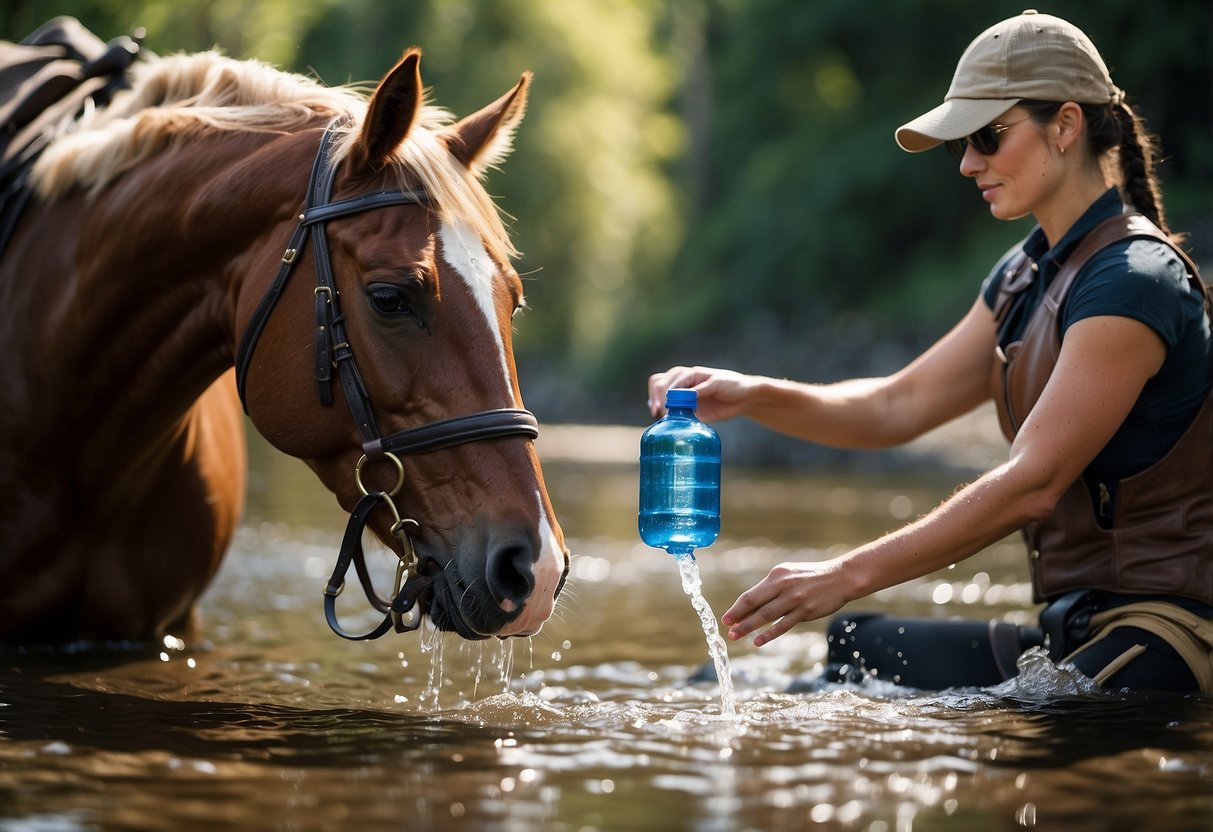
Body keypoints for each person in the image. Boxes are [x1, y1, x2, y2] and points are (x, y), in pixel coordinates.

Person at [647, 10, 1213, 693]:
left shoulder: (1131, 281)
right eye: (959, 146)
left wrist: (844, 574)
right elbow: (897, 404)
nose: (969, 162)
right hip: (1074, 625)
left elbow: (1032, 483)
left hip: (1172, 632)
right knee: (849, 653)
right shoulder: (1024, 275)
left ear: (1064, 126)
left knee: (1021, 719)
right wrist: (753, 394)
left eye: (985, 136)